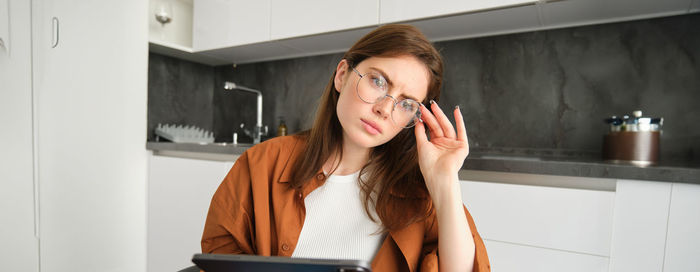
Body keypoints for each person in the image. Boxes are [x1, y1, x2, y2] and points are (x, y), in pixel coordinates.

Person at [201, 24, 490, 271]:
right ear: (342, 75)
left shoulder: (420, 193)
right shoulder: (260, 163)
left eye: (406, 103)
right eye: (377, 81)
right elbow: (219, 259)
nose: (385, 109)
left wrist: (445, 182)